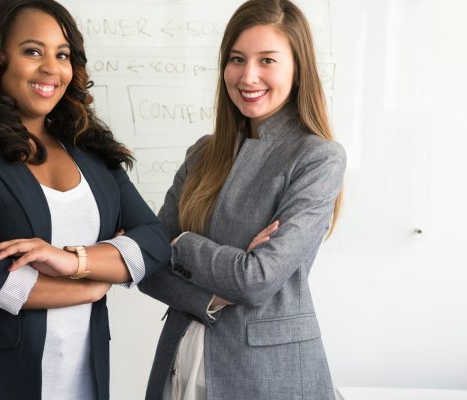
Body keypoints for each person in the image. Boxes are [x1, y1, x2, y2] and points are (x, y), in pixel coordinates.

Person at [0, 1, 170, 399]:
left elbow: (154, 240)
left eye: (62, 54)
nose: (52, 67)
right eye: (33, 51)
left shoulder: (93, 155)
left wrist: (74, 261)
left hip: (81, 381)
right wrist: (90, 286)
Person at [138, 0, 346, 399]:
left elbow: (256, 279)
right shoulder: (203, 153)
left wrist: (180, 244)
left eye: (267, 60)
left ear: (297, 68)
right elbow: (147, 264)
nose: (248, 76)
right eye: (237, 59)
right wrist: (212, 297)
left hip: (267, 374)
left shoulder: (318, 157)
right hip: (180, 360)